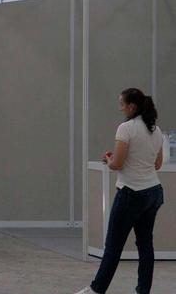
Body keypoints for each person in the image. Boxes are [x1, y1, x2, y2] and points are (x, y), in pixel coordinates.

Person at [76, 88, 165, 294]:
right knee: (145, 245)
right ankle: (143, 291)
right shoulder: (156, 130)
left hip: (131, 193)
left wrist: (108, 159)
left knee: (113, 246)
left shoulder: (125, 128)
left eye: (122, 104)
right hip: (153, 192)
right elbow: (158, 164)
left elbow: (117, 163)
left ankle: (97, 289)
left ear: (132, 106)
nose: (121, 108)